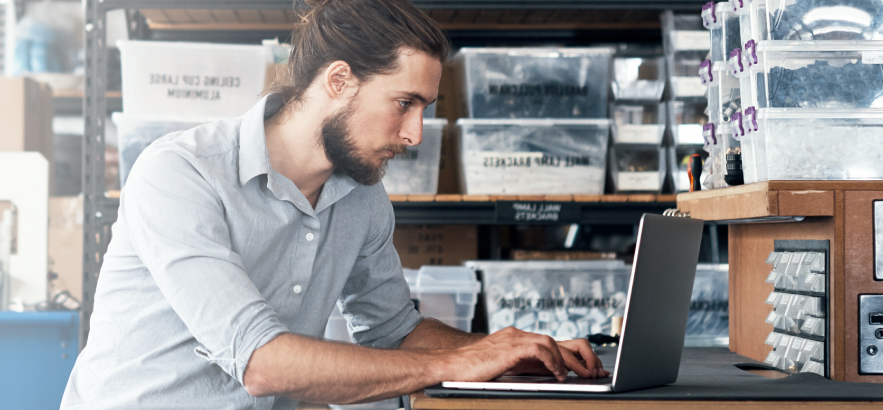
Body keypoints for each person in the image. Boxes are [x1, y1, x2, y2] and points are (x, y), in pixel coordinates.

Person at [61, 0, 605, 408]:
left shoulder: (361, 197)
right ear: (339, 80)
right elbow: (261, 362)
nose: (416, 134)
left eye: (425, 108)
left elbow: (394, 330)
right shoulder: (180, 172)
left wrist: (511, 355)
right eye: (404, 103)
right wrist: (458, 361)